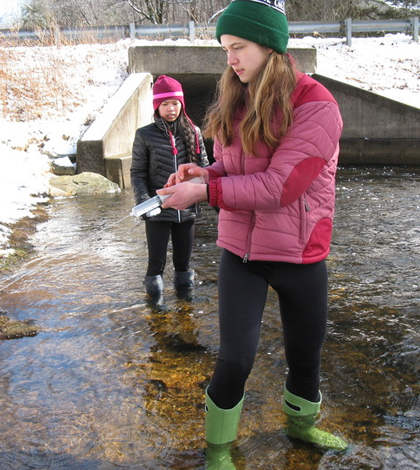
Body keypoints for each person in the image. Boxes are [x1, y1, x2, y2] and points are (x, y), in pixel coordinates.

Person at [158, 0, 348, 467]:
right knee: (235, 359)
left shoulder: (316, 105)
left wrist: (206, 193)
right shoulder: (237, 98)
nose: (230, 59)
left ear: (270, 45)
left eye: (238, 47)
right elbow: (238, 167)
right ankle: (219, 451)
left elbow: (283, 185)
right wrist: (204, 173)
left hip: (301, 254)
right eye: (226, 49)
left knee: (305, 358)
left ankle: (302, 431)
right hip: (240, 251)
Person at [131, 75, 209, 301]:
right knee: (156, 263)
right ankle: (156, 309)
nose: (171, 108)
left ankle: (186, 307)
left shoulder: (194, 131)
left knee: (183, 263)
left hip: (186, 209)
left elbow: (205, 167)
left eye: (175, 103)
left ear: (181, 103)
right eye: (165, 104)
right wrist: (145, 202)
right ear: (157, 106)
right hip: (158, 209)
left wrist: (199, 192)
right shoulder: (144, 134)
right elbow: (137, 173)